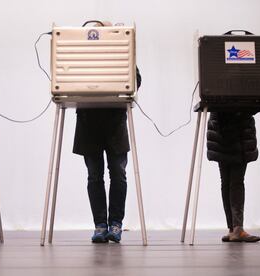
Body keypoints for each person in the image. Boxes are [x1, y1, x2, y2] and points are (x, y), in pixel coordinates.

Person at [73, 21, 141, 243]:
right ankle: (100, 226)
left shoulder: (120, 49)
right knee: (94, 177)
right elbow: (65, 78)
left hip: (114, 123)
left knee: (118, 175)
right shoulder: (77, 52)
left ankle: (116, 225)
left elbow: (136, 80)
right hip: (88, 123)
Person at [207, 111, 260, 242]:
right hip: (238, 130)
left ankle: (233, 229)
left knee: (226, 182)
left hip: (219, 128)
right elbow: (252, 104)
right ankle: (237, 229)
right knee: (235, 182)